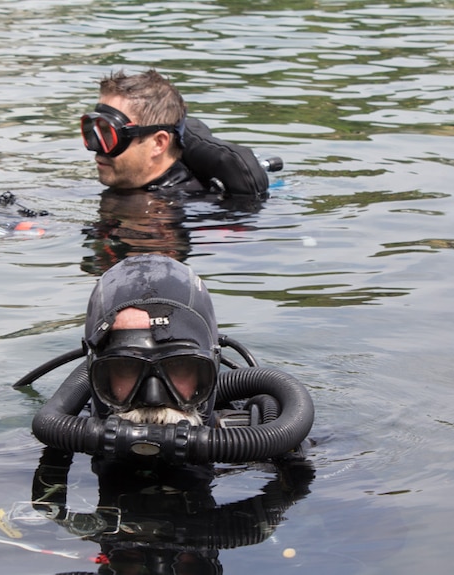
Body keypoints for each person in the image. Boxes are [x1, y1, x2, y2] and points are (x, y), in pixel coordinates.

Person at [22, 253, 315, 465]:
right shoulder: (55, 443)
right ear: (95, 375)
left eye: (180, 368)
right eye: (125, 369)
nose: (153, 397)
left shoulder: (266, 443)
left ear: (211, 366)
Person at [80, 69, 276, 205]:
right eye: (93, 130)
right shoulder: (131, 185)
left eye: (110, 134)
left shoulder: (174, 212)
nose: (95, 147)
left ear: (158, 143)